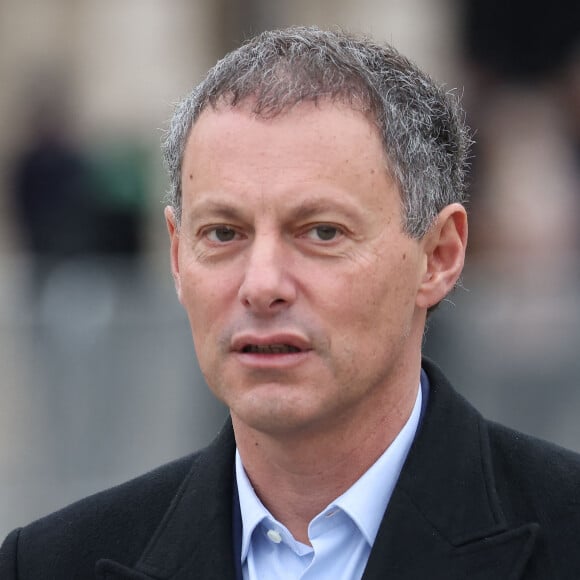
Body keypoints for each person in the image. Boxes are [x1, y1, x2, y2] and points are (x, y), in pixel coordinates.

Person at [1, 26, 579, 580]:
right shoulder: (50, 563)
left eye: (322, 232)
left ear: (439, 256)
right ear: (177, 259)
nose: (262, 283)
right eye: (224, 234)